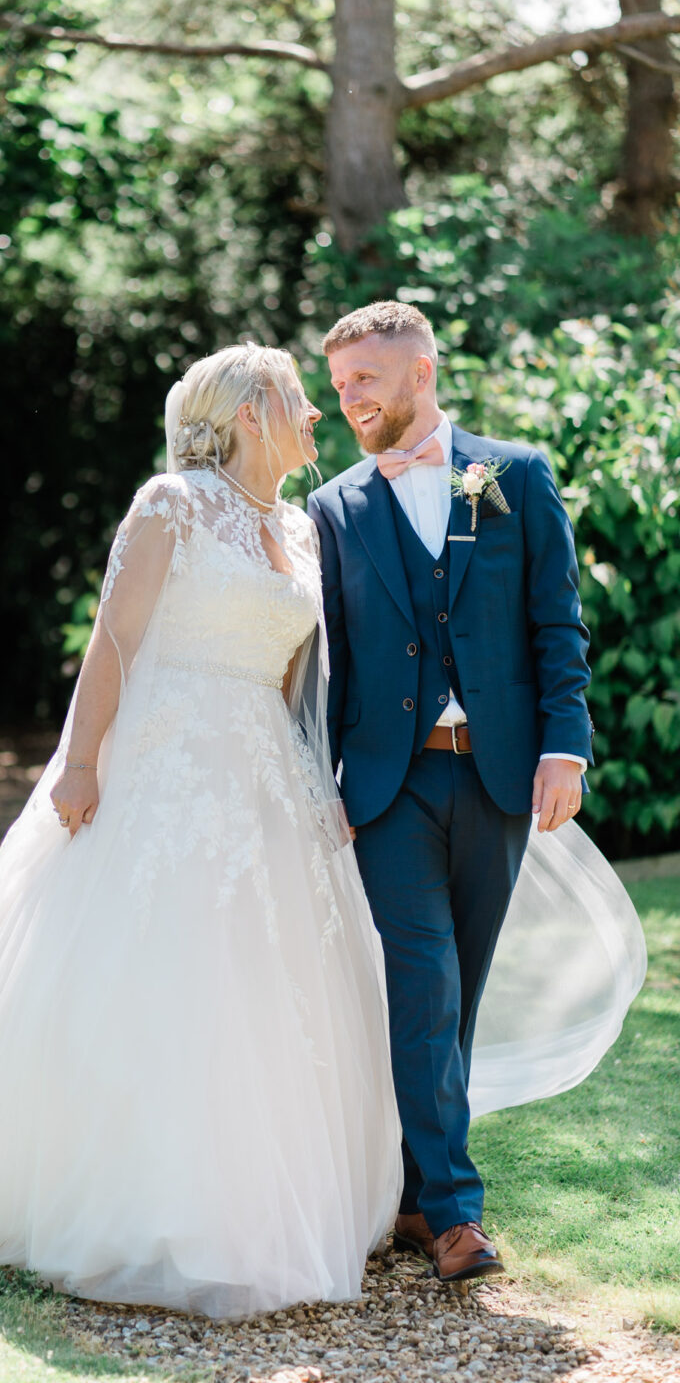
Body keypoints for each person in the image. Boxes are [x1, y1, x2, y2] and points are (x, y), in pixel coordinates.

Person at [0, 343, 405, 1319]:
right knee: (157, 964)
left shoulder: (296, 525)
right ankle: (135, 1208)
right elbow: (114, 641)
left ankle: (262, 1202)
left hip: (266, 773)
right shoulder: (168, 505)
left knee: (270, 978)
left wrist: (314, 784)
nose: (316, 415)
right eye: (299, 399)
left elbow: (297, 673)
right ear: (252, 411)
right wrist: (82, 761)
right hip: (164, 763)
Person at [307, 300, 635, 1282]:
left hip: (496, 776)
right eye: (337, 387)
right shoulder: (335, 506)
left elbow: (556, 625)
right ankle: (455, 1215)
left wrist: (564, 749)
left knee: (458, 1002)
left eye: (363, 380)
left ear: (420, 371)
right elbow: (330, 660)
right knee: (424, 983)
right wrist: (320, 776)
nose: (348, 400)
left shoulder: (514, 475)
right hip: (387, 785)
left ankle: (411, 1193)